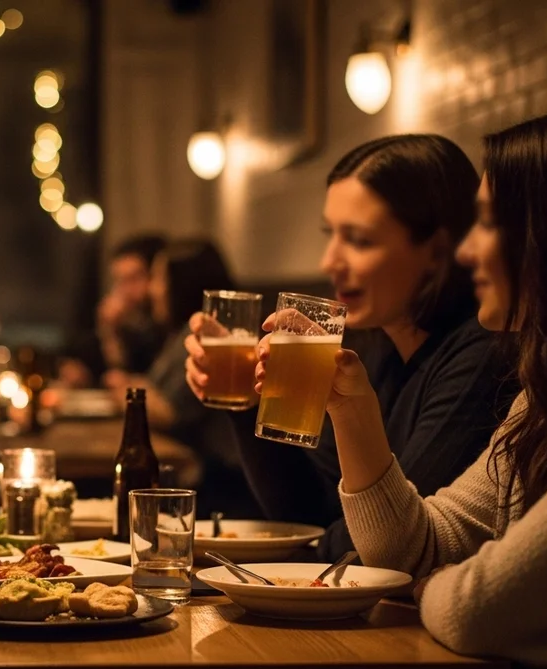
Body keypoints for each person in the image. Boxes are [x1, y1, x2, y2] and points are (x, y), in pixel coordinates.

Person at [275, 107, 547, 669]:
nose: (465, 254)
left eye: (487, 224)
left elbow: (479, 610)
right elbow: (418, 549)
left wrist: (438, 584)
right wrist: (353, 412)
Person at [185, 135, 516, 561]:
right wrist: (248, 402)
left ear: (436, 251)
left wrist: (300, 559)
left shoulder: (480, 357)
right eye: (331, 235)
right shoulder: (373, 347)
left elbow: (386, 540)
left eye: (358, 240)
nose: (329, 262)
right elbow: (308, 511)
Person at [121, 240, 251, 517]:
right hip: (209, 474)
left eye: (158, 278)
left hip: (224, 483)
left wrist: (128, 389)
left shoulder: (210, 339)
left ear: (182, 283)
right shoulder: (180, 334)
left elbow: (169, 412)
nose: (153, 289)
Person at [60, 234, 168, 388]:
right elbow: (113, 373)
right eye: (120, 280)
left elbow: (140, 382)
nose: (125, 291)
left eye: (133, 279)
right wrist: (109, 331)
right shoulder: (132, 325)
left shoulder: (167, 328)